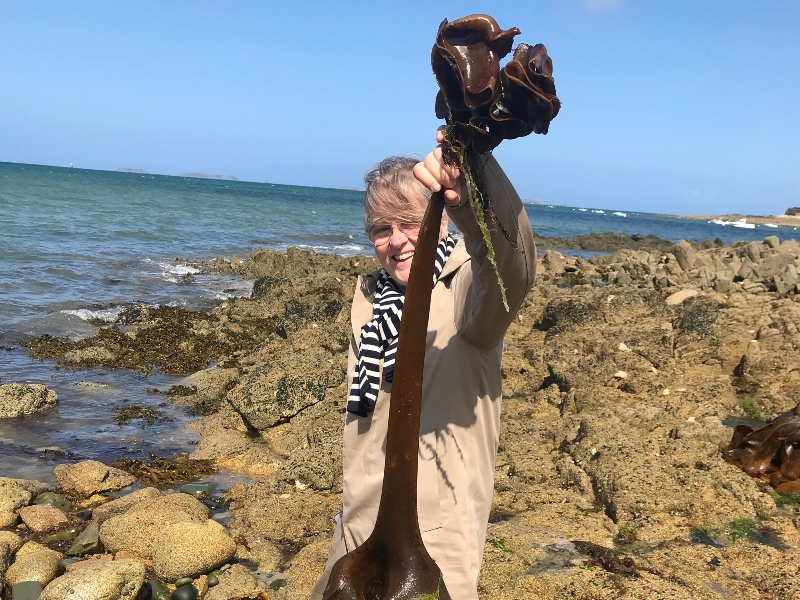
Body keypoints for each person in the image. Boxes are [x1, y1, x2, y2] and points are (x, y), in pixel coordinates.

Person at [311, 130, 537, 599]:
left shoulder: (466, 289)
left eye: (411, 222)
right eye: (380, 228)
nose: (396, 241)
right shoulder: (370, 299)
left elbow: (513, 268)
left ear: (441, 222)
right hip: (357, 525)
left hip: (436, 534)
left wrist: (473, 187)